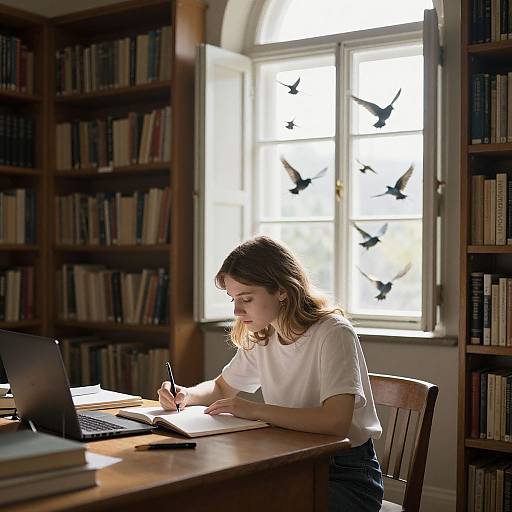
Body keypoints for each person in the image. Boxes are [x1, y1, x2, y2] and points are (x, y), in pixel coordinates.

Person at [158, 235, 383, 511]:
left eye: (246, 299)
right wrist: (185, 394)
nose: (237, 311)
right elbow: (221, 388)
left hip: (343, 473)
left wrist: (255, 410)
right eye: (233, 299)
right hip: (290, 461)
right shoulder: (265, 335)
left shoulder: (333, 333)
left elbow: (335, 422)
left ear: (282, 291)